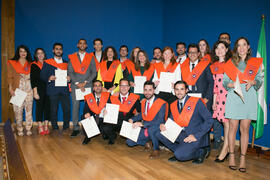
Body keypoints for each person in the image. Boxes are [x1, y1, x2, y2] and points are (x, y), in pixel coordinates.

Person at [223, 37, 262, 173]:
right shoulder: (230, 63)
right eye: (239, 45)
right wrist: (233, 84)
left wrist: (253, 82)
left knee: (245, 129)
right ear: (236, 48)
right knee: (233, 127)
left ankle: (243, 158)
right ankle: (232, 155)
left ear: (248, 46)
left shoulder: (254, 63)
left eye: (244, 45)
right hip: (234, 96)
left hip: (249, 96)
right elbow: (225, 82)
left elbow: (259, 80)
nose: (241, 48)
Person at [156, 81, 213, 164]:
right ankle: (181, 149)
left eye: (182, 89)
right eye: (177, 89)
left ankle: (201, 152)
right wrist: (163, 125)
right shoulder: (174, 104)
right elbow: (172, 120)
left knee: (180, 156)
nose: (179, 92)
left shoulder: (196, 101)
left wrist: (196, 136)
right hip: (181, 134)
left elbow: (209, 120)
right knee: (159, 133)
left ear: (186, 90)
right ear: (174, 91)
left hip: (194, 135)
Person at [127, 81, 168, 159]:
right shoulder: (144, 102)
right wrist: (132, 119)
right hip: (145, 128)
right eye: (145, 90)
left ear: (154, 90)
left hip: (156, 127)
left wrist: (142, 124)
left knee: (151, 130)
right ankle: (147, 142)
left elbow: (160, 121)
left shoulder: (161, 103)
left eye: (150, 90)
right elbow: (142, 115)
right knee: (129, 142)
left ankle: (156, 149)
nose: (147, 92)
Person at [68, 39, 97, 137]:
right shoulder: (72, 57)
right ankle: (75, 128)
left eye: (84, 43)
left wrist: (85, 82)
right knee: (75, 107)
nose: (82, 45)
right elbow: (70, 72)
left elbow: (94, 72)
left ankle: (89, 128)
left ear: (86, 45)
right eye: (80, 43)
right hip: (75, 86)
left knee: (89, 107)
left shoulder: (90, 57)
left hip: (88, 85)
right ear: (77, 45)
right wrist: (77, 83)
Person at [40, 43, 71, 132]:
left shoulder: (66, 63)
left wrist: (70, 78)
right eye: (56, 49)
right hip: (53, 90)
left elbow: (70, 74)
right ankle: (54, 126)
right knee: (53, 110)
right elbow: (42, 75)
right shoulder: (48, 62)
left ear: (62, 51)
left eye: (60, 49)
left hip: (64, 90)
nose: (58, 50)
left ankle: (66, 125)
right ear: (53, 50)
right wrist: (48, 78)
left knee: (67, 109)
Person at [103, 78, 141, 144]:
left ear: (129, 87)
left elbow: (140, 112)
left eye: (126, 86)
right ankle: (113, 136)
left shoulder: (134, 98)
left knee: (131, 140)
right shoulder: (113, 97)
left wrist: (134, 120)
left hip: (128, 122)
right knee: (105, 128)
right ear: (119, 87)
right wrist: (105, 111)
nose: (124, 88)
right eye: (122, 86)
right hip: (115, 121)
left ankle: (125, 134)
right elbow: (107, 108)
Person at [210, 41, 231, 155]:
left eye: (222, 48)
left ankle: (226, 148)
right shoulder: (214, 66)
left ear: (227, 50)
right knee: (224, 123)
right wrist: (214, 102)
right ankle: (226, 148)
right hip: (219, 99)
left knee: (228, 124)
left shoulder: (231, 64)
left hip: (230, 98)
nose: (220, 50)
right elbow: (215, 86)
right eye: (217, 48)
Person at [7, 45, 33, 136]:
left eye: (25, 51)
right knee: (18, 110)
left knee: (29, 110)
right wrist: (10, 88)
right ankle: (19, 128)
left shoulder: (31, 63)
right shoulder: (12, 63)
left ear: (27, 53)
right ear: (18, 53)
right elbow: (9, 76)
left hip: (29, 89)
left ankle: (28, 128)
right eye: (21, 51)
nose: (23, 53)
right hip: (18, 88)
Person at [82, 80, 110, 145]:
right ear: (93, 88)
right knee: (84, 116)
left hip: (103, 119)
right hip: (93, 118)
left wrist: (108, 110)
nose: (97, 87)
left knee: (107, 127)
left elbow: (112, 108)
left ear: (102, 87)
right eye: (95, 86)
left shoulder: (108, 96)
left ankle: (106, 134)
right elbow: (85, 110)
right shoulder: (89, 97)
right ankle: (87, 137)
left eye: (99, 86)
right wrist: (86, 113)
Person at [30, 48, 50, 135]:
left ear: (44, 54)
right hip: (39, 89)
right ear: (36, 55)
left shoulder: (48, 64)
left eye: (42, 53)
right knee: (39, 108)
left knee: (47, 108)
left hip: (49, 89)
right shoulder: (34, 65)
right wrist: (35, 92)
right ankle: (40, 126)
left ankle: (46, 125)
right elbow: (33, 80)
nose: (40, 55)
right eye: (38, 53)